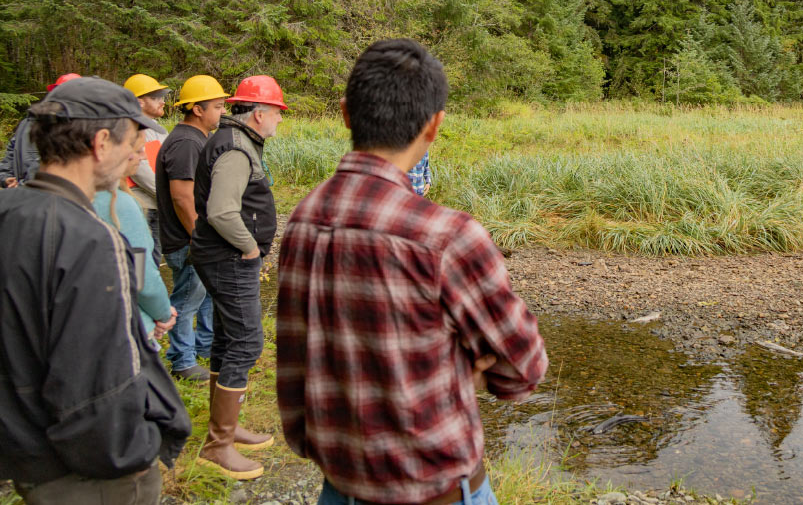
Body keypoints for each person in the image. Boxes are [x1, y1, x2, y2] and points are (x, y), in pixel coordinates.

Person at [277, 39, 547, 505]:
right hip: (437, 491)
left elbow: (297, 366)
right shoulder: (447, 236)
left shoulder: (303, 221)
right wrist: (464, 369)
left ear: (345, 113)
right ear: (435, 126)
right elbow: (524, 367)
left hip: (339, 487)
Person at [0, 77, 190, 504]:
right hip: (94, 472)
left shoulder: (8, 211)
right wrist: (137, 449)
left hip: (29, 454)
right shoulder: (90, 237)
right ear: (101, 142)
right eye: (132, 143)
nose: (137, 155)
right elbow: (102, 378)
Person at [189, 75, 286, 479]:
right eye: (278, 114)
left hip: (221, 257)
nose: (280, 121)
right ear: (259, 114)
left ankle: (226, 429)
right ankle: (217, 445)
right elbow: (222, 212)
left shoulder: (236, 140)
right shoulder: (235, 149)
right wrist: (249, 248)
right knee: (247, 340)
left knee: (228, 338)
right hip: (228, 258)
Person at [157, 74, 226, 381]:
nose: (222, 112)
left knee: (206, 294)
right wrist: (199, 239)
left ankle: (205, 348)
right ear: (197, 109)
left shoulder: (194, 138)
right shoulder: (186, 142)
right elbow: (182, 197)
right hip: (187, 240)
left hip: (193, 238)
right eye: (217, 106)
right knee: (186, 300)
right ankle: (182, 360)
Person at [94, 136, 177, 342]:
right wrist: (163, 313)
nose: (143, 156)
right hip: (127, 329)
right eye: (140, 150)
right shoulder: (119, 205)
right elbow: (142, 277)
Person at [0, 72, 81, 188]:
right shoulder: (67, 125)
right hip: (45, 196)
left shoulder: (28, 121)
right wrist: (6, 178)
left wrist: (8, 180)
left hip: (24, 194)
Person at [124, 73, 171, 264]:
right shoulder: (132, 129)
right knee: (143, 265)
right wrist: (170, 198)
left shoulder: (158, 130)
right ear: (139, 102)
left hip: (155, 205)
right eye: (155, 97)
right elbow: (140, 171)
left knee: (152, 261)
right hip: (142, 206)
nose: (162, 102)